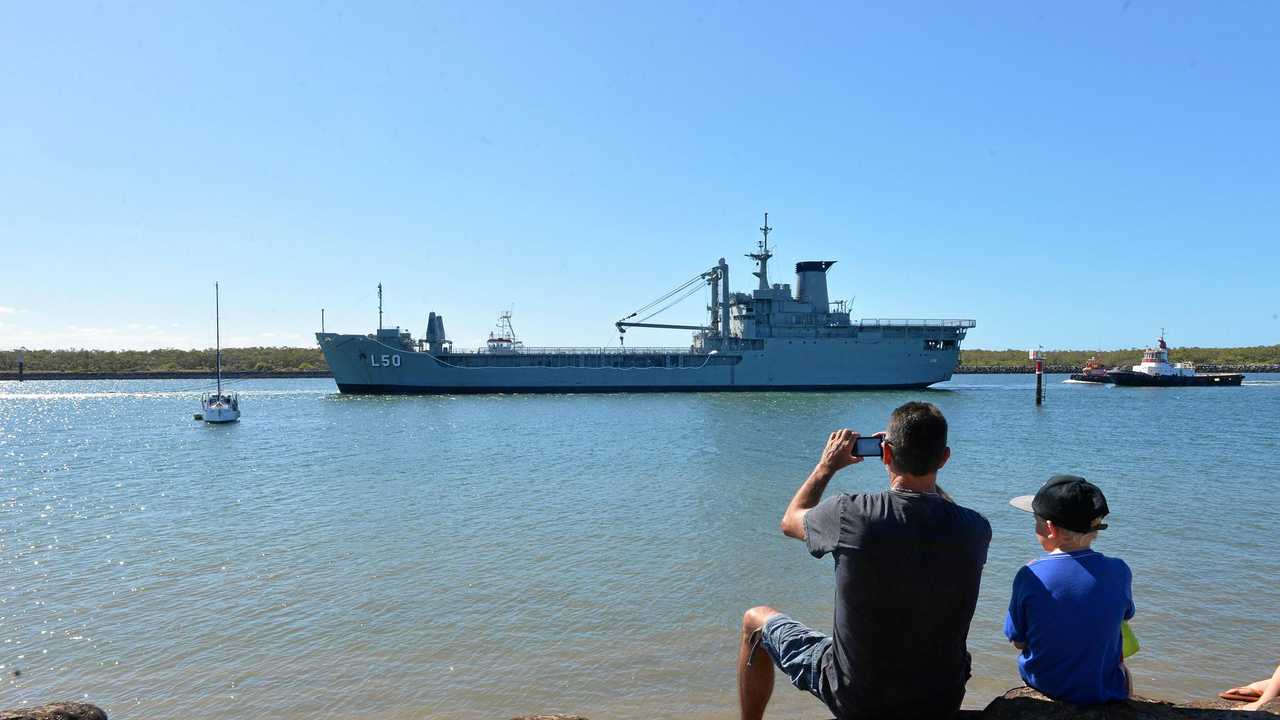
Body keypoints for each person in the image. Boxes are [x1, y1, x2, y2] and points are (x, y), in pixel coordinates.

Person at [736, 401, 992, 720]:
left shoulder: (850, 513)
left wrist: (826, 466)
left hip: (858, 698)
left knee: (755, 620)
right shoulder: (976, 528)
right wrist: (917, 465)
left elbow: (790, 521)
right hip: (941, 698)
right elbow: (935, 505)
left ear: (885, 454)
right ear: (944, 458)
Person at [1004, 475, 1135, 704]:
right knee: (1124, 669)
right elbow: (1125, 616)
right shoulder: (1119, 570)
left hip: (1046, 683)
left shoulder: (1030, 574)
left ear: (1050, 529)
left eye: (1035, 521)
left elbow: (1018, 640)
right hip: (1102, 688)